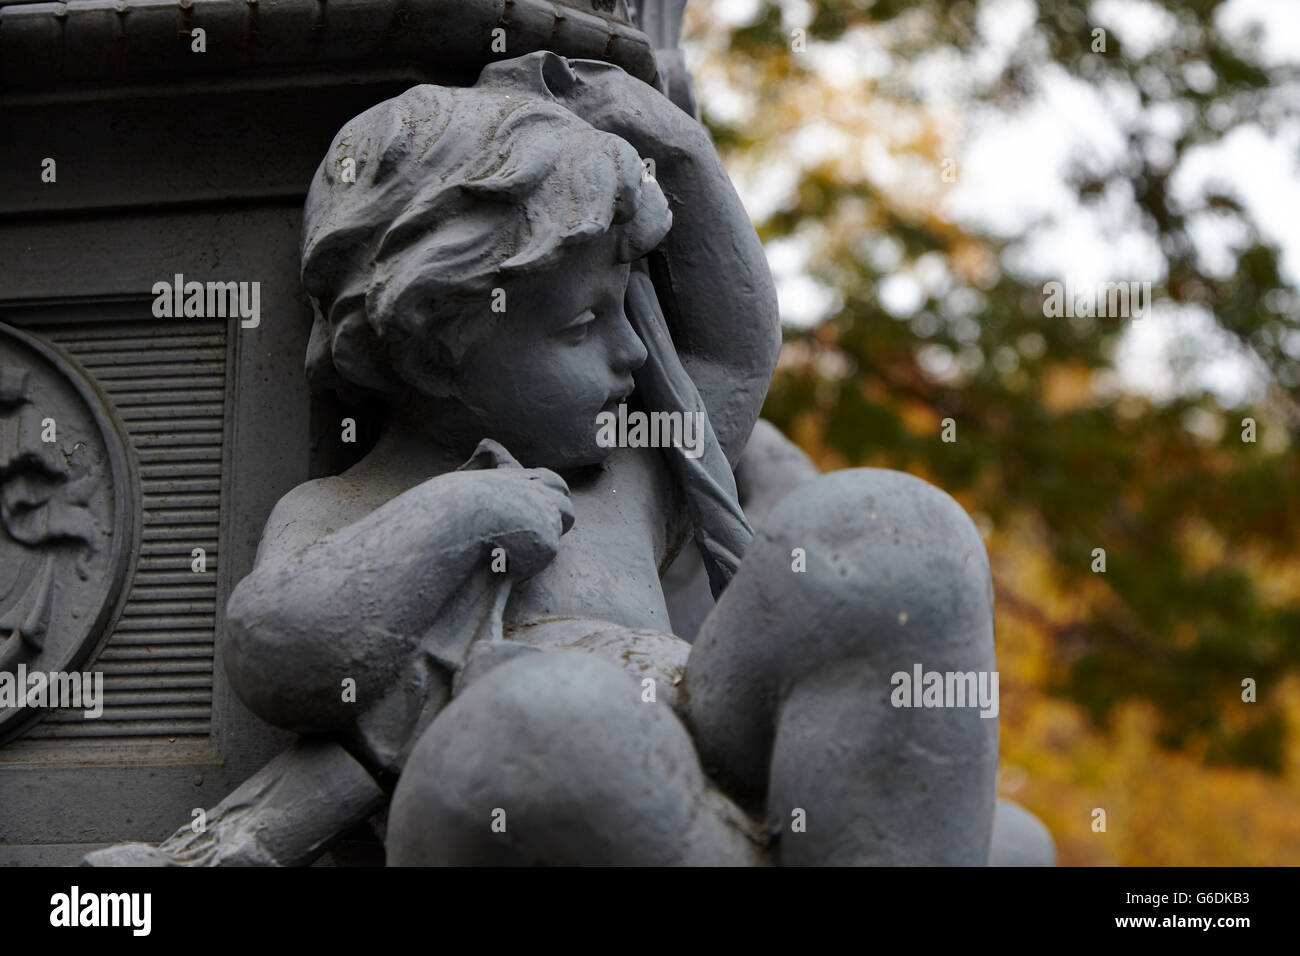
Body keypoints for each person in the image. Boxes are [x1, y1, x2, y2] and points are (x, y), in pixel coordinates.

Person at [221, 51, 999, 865]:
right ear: (430, 354)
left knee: (895, 538)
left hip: (702, 741)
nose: (633, 352)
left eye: (626, 306)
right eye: (583, 323)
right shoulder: (344, 510)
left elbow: (732, 354)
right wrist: (460, 516)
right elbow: (281, 648)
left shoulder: (628, 475)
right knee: (543, 731)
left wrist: (676, 145)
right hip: (567, 791)